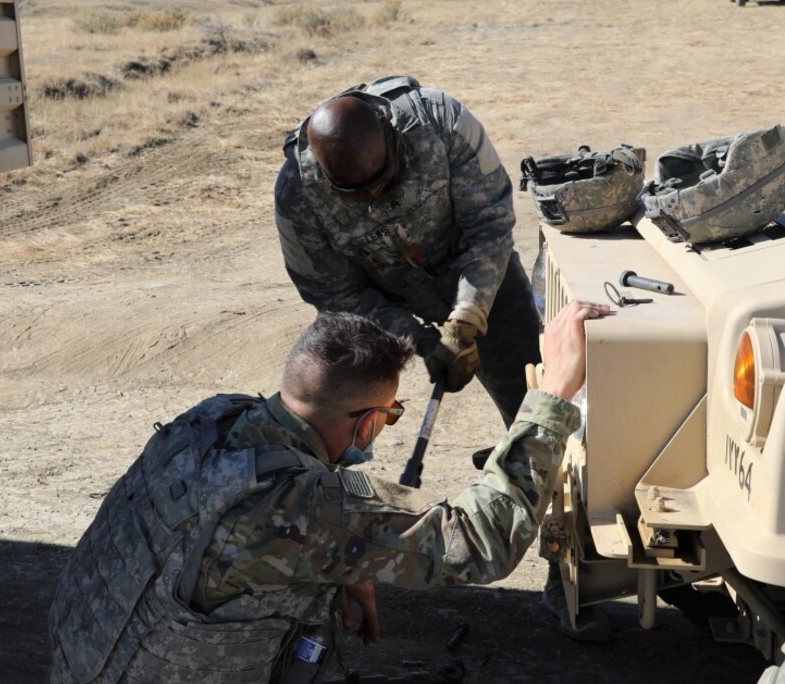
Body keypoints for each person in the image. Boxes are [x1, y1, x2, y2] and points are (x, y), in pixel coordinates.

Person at [48, 300, 608, 683]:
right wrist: (554, 394)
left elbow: (314, 513)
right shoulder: (295, 511)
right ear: (365, 423)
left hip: (86, 661)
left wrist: (349, 558)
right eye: (390, 416)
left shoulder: (216, 419)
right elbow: (483, 538)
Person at [274, 75, 540, 428]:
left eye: (382, 180)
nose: (373, 196)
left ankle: (527, 462)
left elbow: (490, 224)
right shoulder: (297, 195)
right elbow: (335, 292)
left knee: (529, 389)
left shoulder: (441, 120)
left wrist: (467, 316)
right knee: (350, 405)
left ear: (389, 132)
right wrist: (417, 340)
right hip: (386, 297)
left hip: (479, 267)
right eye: (357, 192)